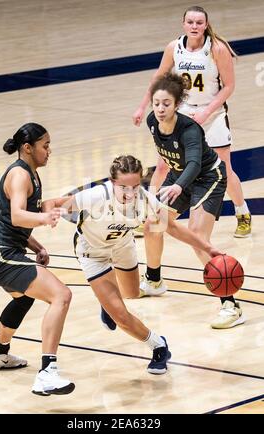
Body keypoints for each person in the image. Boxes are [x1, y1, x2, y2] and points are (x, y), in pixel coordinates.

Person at [43, 155, 222, 374]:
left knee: (131, 294)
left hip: (123, 246)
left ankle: (107, 301)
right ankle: (159, 346)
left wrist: (208, 248)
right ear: (112, 181)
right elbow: (51, 203)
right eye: (123, 188)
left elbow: (172, 227)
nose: (130, 194)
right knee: (121, 317)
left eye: (135, 187)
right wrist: (48, 215)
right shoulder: (95, 196)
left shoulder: (145, 200)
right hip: (93, 253)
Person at [132, 5, 251, 238]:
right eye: (190, 22)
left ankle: (242, 212)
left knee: (223, 167)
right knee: (164, 165)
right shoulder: (174, 47)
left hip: (212, 114)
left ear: (206, 25)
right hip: (183, 113)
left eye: (199, 23)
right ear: (183, 23)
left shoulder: (217, 48)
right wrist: (142, 105)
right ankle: (151, 215)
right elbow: (158, 80)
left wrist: (207, 113)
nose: (195, 26)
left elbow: (229, 86)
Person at [138, 72, 245, 329]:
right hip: (179, 178)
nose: (160, 109)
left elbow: (195, 164)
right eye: (156, 103)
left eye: (166, 104)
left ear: (177, 105)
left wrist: (178, 185)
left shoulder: (190, 129)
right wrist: (158, 189)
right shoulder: (153, 122)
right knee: (153, 224)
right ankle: (153, 280)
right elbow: (164, 159)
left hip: (207, 178)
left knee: (197, 236)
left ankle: (230, 304)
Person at [0, 123, 75, 396]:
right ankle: (47, 373)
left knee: (24, 297)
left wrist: (34, 244)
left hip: (0, 250)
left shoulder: (30, 173)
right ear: (28, 148)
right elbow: (17, 215)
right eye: (45, 146)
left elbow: (18, 219)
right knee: (61, 295)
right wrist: (45, 219)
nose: (49, 151)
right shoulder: (19, 174)